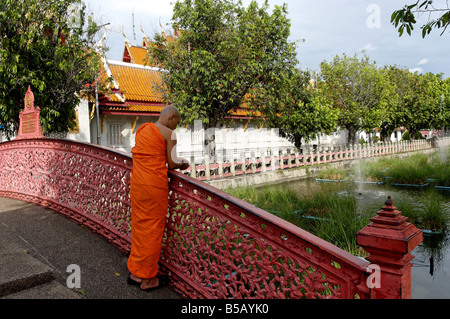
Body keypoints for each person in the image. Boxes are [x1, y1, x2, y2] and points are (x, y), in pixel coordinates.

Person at [127, 105, 189, 291]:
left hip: (138, 184)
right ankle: (147, 279)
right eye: (176, 123)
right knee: (153, 230)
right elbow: (171, 163)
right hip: (154, 187)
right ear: (171, 117)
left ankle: (135, 272)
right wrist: (183, 163)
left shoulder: (143, 129)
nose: (175, 128)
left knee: (140, 227)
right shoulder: (169, 134)